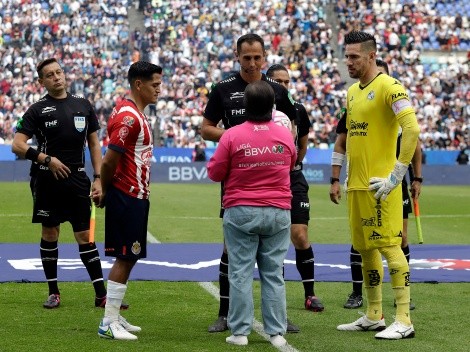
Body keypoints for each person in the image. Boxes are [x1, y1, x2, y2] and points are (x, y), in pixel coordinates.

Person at [201, 33, 299, 333]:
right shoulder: (223, 89)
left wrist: (264, 140)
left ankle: (278, 317)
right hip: (236, 180)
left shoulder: (277, 91)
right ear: (237, 56)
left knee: (273, 253)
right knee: (231, 250)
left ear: (265, 57)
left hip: (272, 178)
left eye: (258, 57)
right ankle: (224, 312)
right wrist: (237, 137)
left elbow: (292, 128)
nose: (253, 63)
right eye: (247, 58)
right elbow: (206, 129)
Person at [11, 58, 119, 310]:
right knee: (50, 233)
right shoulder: (36, 110)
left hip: (78, 180)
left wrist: (99, 178)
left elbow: (94, 144)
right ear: (42, 81)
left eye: (59, 72)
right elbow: (18, 144)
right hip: (46, 181)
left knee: (85, 235)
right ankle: (53, 292)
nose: (56, 77)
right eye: (50, 75)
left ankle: (100, 294)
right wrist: (47, 160)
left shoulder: (83, 104)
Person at [333, 31, 420, 340]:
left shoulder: (390, 87)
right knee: (364, 246)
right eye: (346, 56)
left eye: (354, 56)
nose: (348, 62)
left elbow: (411, 129)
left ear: (371, 56)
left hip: (381, 186)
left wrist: (397, 176)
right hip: (356, 185)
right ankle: (374, 314)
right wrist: (343, 176)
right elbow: (351, 138)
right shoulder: (353, 92)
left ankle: (404, 320)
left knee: (389, 246)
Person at [95, 61, 162, 340]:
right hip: (127, 194)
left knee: (129, 256)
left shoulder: (135, 113)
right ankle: (108, 322)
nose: (159, 90)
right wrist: (104, 186)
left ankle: (114, 315)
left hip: (136, 194)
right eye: (154, 85)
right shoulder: (129, 117)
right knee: (125, 256)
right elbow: (110, 161)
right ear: (139, 84)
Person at [266, 64, 324, 312]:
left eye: (287, 81)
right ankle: (276, 300)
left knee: (300, 235)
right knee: (273, 240)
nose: (283, 86)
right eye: (278, 81)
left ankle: (309, 294)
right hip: (268, 180)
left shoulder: (298, 110)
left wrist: (292, 164)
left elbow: (302, 144)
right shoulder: (260, 108)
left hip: (293, 177)